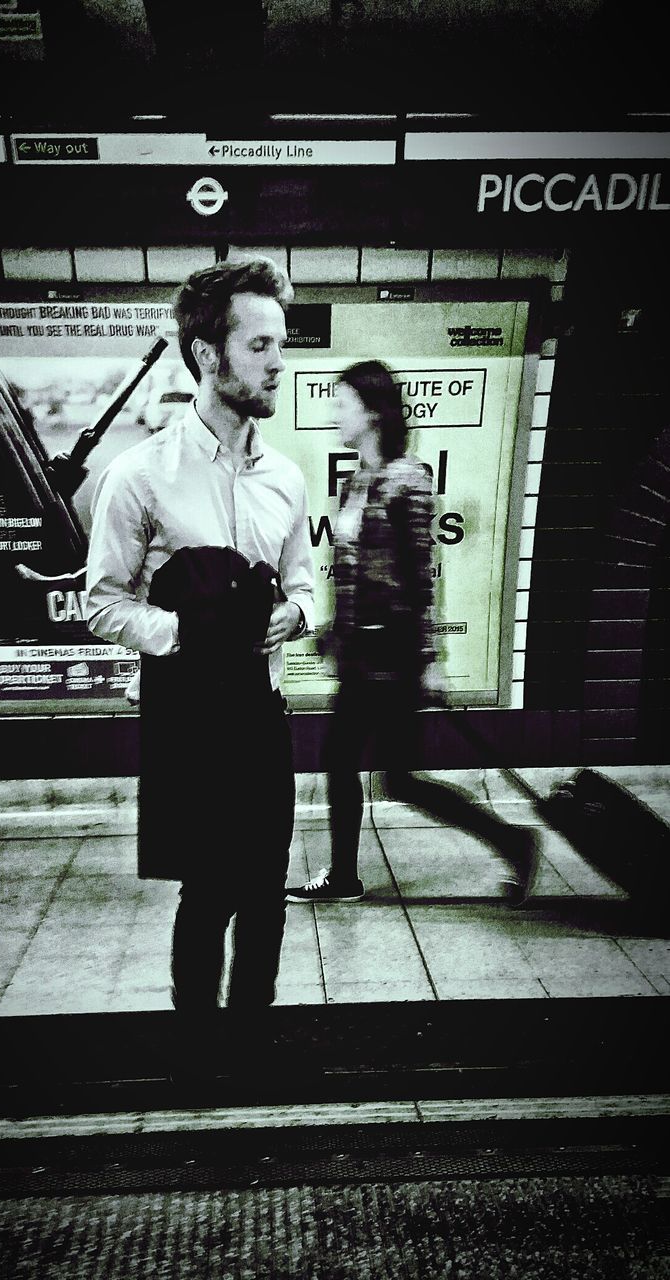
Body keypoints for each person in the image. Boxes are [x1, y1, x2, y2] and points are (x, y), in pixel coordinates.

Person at [85, 257, 315, 1072]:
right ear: (208, 355)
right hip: (191, 716)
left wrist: (297, 611)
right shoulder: (139, 476)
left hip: (265, 715)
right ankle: (196, 1043)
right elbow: (103, 601)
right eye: (260, 345)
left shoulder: (286, 478)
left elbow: (303, 582)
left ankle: (251, 1036)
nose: (278, 362)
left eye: (279, 344)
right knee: (209, 890)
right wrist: (187, 634)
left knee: (268, 891)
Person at [285, 360, 539, 907]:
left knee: (393, 778)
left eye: (343, 403)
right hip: (360, 654)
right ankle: (349, 875)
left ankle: (512, 840)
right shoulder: (357, 480)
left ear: (373, 412)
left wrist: (428, 658)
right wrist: (334, 629)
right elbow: (354, 569)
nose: (336, 413)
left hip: (393, 655)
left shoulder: (409, 479)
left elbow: (420, 576)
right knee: (354, 766)